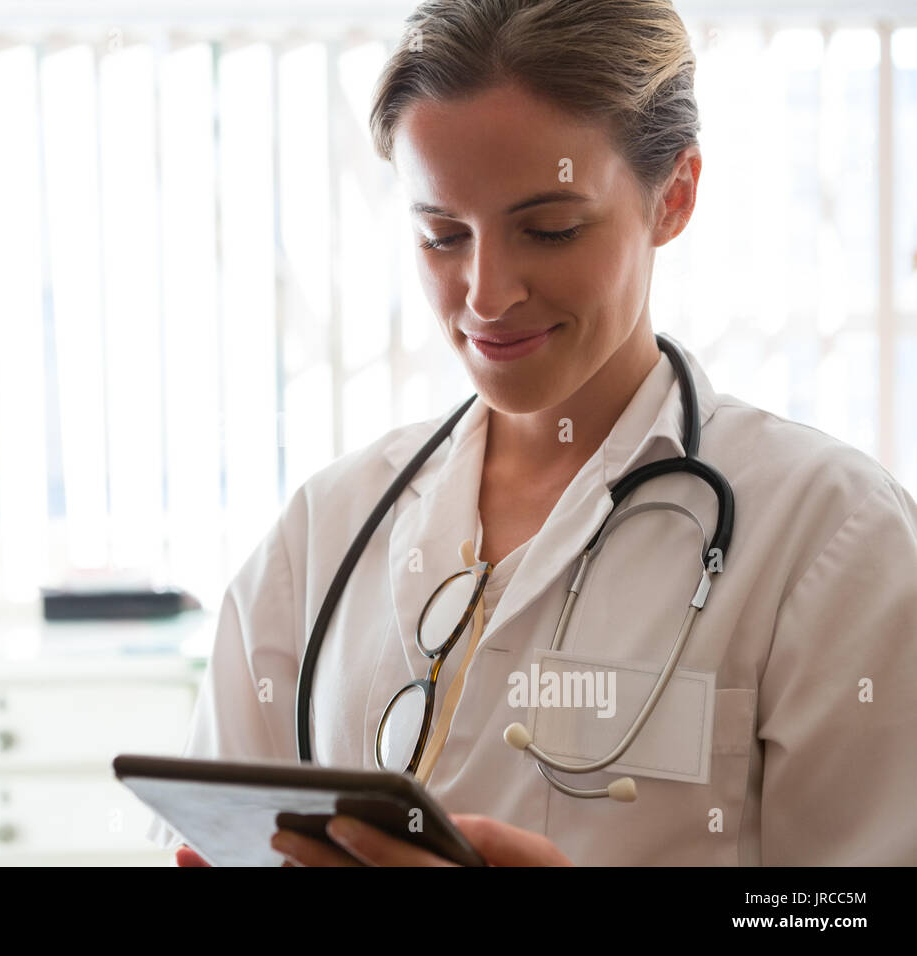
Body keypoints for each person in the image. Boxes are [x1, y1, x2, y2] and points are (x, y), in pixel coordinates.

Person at [146, 0, 917, 866]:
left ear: (676, 196)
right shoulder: (323, 534)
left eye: (549, 229)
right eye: (442, 235)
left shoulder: (833, 533)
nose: (485, 294)